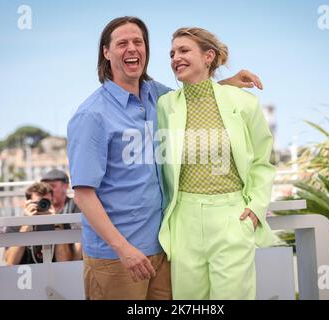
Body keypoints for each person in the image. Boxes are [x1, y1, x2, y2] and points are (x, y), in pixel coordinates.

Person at [67, 16, 263, 300]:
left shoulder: (156, 96)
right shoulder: (91, 115)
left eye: (138, 41)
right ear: (106, 53)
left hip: (164, 250)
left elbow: (197, 96)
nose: (132, 48)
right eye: (122, 43)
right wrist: (123, 250)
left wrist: (228, 83)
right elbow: (84, 195)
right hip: (117, 258)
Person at [156, 27, 281, 300]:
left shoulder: (244, 103)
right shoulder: (164, 105)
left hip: (232, 216)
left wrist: (255, 208)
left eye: (184, 50)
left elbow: (262, 161)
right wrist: (229, 80)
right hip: (183, 219)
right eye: (172, 53)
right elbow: (196, 95)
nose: (175, 57)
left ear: (208, 56)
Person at [3, 182, 73, 265]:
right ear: (28, 204)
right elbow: (11, 263)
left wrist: (57, 225)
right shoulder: (15, 225)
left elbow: (65, 263)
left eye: (46, 202)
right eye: (38, 203)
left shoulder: (61, 224)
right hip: (24, 276)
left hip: (54, 275)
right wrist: (26, 224)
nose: (42, 206)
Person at [41, 169, 82, 260]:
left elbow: (79, 242)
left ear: (65, 186)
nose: (48, 191)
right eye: (44, 187)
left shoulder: (76, 207)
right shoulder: (38, 208)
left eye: (52, 186)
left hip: (69, 262)